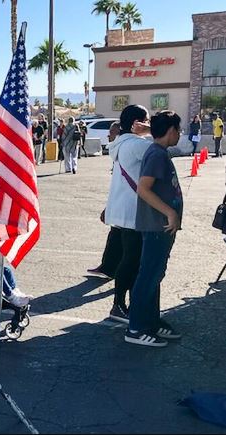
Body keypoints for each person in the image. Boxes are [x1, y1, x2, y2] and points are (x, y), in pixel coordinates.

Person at [126, 110, 183, 347]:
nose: (180, 134)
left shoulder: (158, 150)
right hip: (156, 226)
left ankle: (151, 321)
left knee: (154, 275)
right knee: (148, 276)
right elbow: (143, 188)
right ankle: (136, 328)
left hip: (162, 228)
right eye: (178, 130)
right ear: (171, 131)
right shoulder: (157, 155)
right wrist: (169, 212)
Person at [103, 105, 152, 324]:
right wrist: (149, 131)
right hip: (133, 211)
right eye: (146, 120)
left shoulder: (121, 143)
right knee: (132, 260)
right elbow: (164, 147)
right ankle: (119, 305)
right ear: (136, 123)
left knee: (129, 258)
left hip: (123, 209)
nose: (149, 124)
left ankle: (122, 304)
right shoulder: (137, 144)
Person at [88, 121, 122, 279]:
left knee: (119, 237)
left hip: (125, 206)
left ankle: (111, 269)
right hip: (120, 205)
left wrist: (109, 208)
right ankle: (108, 267)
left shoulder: (123, 155)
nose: (109, 135)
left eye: (112, 132)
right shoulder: (118, 154)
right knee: (115, 235)